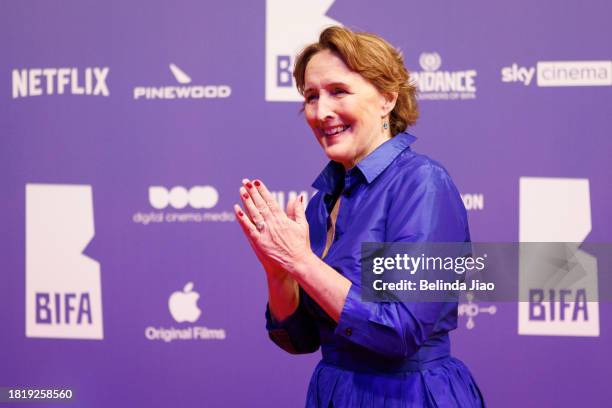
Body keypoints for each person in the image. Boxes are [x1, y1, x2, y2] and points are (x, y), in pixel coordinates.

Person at [234, 26, 485, 407]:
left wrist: (302, 262)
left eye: (339, 92)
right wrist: (279, 271)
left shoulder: (423, 184)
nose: (321, 112)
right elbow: (298, 339)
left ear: (387, 98)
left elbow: (401, 331)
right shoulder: (322, 202)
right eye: (311, 97)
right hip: (335, 392)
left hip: (409, 395)